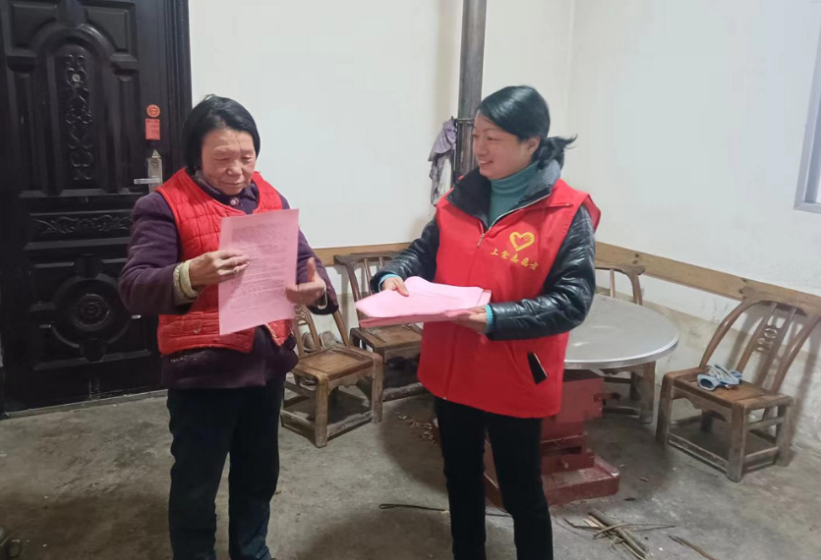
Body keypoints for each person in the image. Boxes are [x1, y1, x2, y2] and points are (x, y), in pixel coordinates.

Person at [371, 85, 600, 560]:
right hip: (453, 369)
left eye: (493, 138)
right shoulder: (461, 197)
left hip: (514, 374)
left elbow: (572, 301)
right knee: (459, 476)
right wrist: (394, 274)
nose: (479, 148)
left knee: (520, 490)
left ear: (531, 143)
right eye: (476, 135)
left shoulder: (566, 213)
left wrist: (495, 317)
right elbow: (423, 252)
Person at [119, 95, 337, 560]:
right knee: (197, 484)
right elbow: (134, 287)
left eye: (247, 157)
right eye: (222, 158)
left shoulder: (271, 197)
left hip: (266, 366)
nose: (237, 170)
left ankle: (252, 552)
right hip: (204, 373)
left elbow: (303, 258)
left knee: (259, 475)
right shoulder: (164, 205)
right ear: (195, 155)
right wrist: (190, 274)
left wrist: (315, 286)